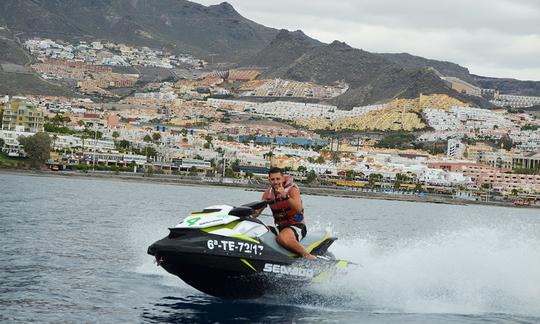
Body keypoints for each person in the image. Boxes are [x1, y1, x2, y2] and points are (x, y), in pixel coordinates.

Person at [256, 167, 316, 260]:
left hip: (297, 226)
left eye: (278, 179)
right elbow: (256, 212)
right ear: (269, 180)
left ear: (283, 178)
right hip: (280, 227)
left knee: (282, 238)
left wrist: (285, 196)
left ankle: (307, 255)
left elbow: (298, 210)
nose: (275, 182)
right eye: (272, 179)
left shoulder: (292, 190)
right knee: (256, 230)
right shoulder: (268, 193)